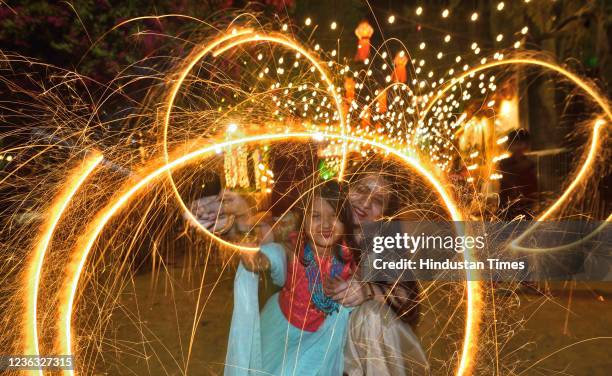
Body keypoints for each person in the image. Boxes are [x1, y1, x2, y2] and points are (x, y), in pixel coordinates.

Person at [223, 180, 360, 375]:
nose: (326, 224)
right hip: (282, 331)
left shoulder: (352, 257)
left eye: (335, 216)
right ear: (303, 221)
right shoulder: (292, 251)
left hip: (323, 340)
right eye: (316, 216)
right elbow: (258, 261)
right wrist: (246, 229)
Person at [498, 129, 538, 219]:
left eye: (521, 143)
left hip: (527, 205)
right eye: (515, 144)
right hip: (509, 205)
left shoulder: (530, 164)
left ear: (526, 145)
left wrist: (534, 198)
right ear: (510, 145)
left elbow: (533, 184)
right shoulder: (505, 163)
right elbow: (506, 183)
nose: (518, 147)